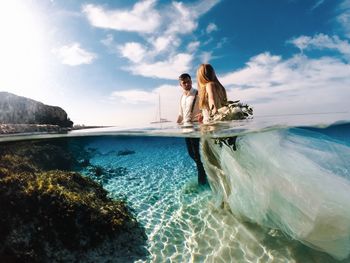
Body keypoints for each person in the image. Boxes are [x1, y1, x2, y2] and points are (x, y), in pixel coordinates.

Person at [177, 73, 207, 185]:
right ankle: (206, 169)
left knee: (197, 156)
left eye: (188, 81)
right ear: (180, 84)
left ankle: (202, 182)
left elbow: (205, 108)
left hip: (196, 127)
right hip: (186, 128)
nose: (187, 84)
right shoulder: (182, 97)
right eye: (184, 82)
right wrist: (177, 125)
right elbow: (180, 115)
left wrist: (202, 116)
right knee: (191, 154)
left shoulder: (198, 94)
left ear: (191, 81)